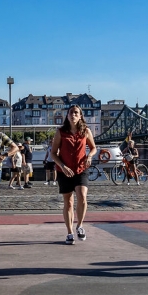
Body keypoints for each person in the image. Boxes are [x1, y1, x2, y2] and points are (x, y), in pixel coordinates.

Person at [50, 105, 97, 245]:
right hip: (64, 171)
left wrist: (90, 156)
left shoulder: (86, 131)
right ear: (67, 115)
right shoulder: (60, 132)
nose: (73, 115)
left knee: (82, 196)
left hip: (81, 168)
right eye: (71, 113)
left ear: (80, 116)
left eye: (76, 113)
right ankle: (70, 232)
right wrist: (62, 166)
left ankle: (80, 225)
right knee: (68, 202)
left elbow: (93, 148)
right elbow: (53, 153)